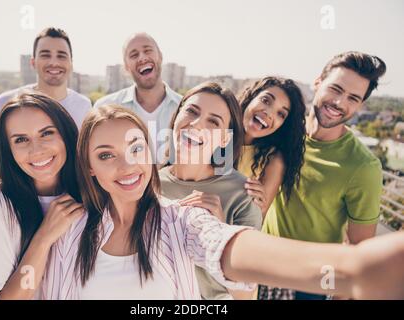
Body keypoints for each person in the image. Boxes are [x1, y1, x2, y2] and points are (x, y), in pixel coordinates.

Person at [43, 105, 404, 300]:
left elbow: (227, 245)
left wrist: (354, 267)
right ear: (89, 168)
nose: (127, 165)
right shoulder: (70, 227)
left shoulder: (180, 221)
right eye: (106, 156)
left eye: (136, 148)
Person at [259, 51, 387, 300]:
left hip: (307, 286)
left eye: (353, 98)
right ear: (318, 82)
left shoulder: (363, 167)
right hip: (257, 264)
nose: (340, 103)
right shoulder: (283, 131)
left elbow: (359, 254)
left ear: (360, 105)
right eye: (336, 89)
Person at [0, 93, 84, 299]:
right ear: (9, 151)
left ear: (66, 134)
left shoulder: (95, 195)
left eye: (46, 133)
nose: (36, 150)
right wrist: (43, 238)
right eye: (20, 139)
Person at [159, 82, 262, 299]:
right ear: (177, 116)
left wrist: (221, 231)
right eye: (191, 111)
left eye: (213, 122)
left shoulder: (242, 195)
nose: (196, 125)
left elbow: (247, 296)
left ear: (225, 138)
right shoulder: (148, 183)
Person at [0, 27, 92, 199]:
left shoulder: (84, 105)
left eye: (61, 55)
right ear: (33, 62)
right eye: (45, 54)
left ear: (71, 63)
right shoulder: (6, 102)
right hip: (18, 200)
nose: (54, 62)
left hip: (68, 202)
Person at [93, 32, 182, 161]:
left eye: (148, 50)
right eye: (134, 55)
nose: (142, 58)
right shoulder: (104, 108)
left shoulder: (185, 109)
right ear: (126, 67)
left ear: (160, 56)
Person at [237, 77, 306, 218]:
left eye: (281, 114)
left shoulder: (273, 160)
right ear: (251, 97)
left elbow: (256, 220)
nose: (269, 113)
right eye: (266, 100)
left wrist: (255, 205)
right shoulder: (220, 131)